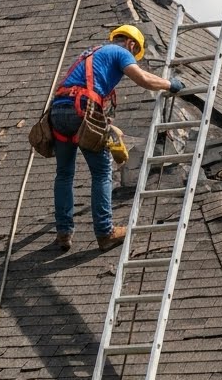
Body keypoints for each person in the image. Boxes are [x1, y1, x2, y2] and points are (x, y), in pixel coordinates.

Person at [50, 25, 184, 252]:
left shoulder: (92, 52)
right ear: (131, 44)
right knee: (102, 173)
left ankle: (64, 233)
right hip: (81, 110)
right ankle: (105, 232)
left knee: (64, 174)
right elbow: (143, 79)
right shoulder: (120, 52)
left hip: (58, 111)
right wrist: (171, 85)